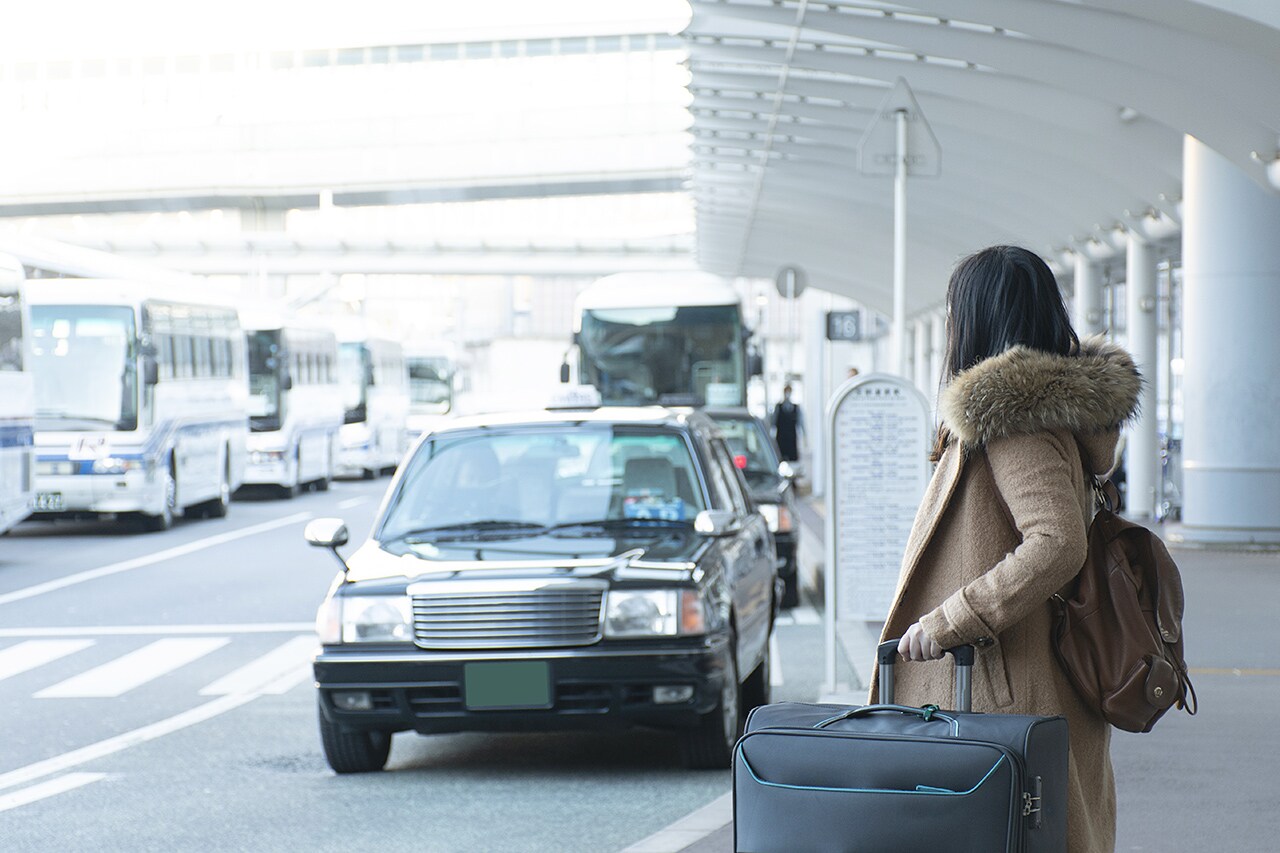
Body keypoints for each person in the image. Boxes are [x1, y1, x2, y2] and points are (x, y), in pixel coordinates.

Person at [872, 245, 1140, 852]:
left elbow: (1057, 542)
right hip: (1034, 680)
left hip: (998, 690)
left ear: (977, 319)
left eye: (954, 312)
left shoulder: (1013, 419)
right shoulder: (1046, 418)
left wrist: (952, 621)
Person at [770, 383, 804, 462]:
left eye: (789, 391)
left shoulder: (796, 408)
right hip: (781, 439)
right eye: (786, 391)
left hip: (791, 439)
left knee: (792, 459)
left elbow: (801, 423)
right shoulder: (778, 407)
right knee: (780, 458)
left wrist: (804, 438)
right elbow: (773, 423)